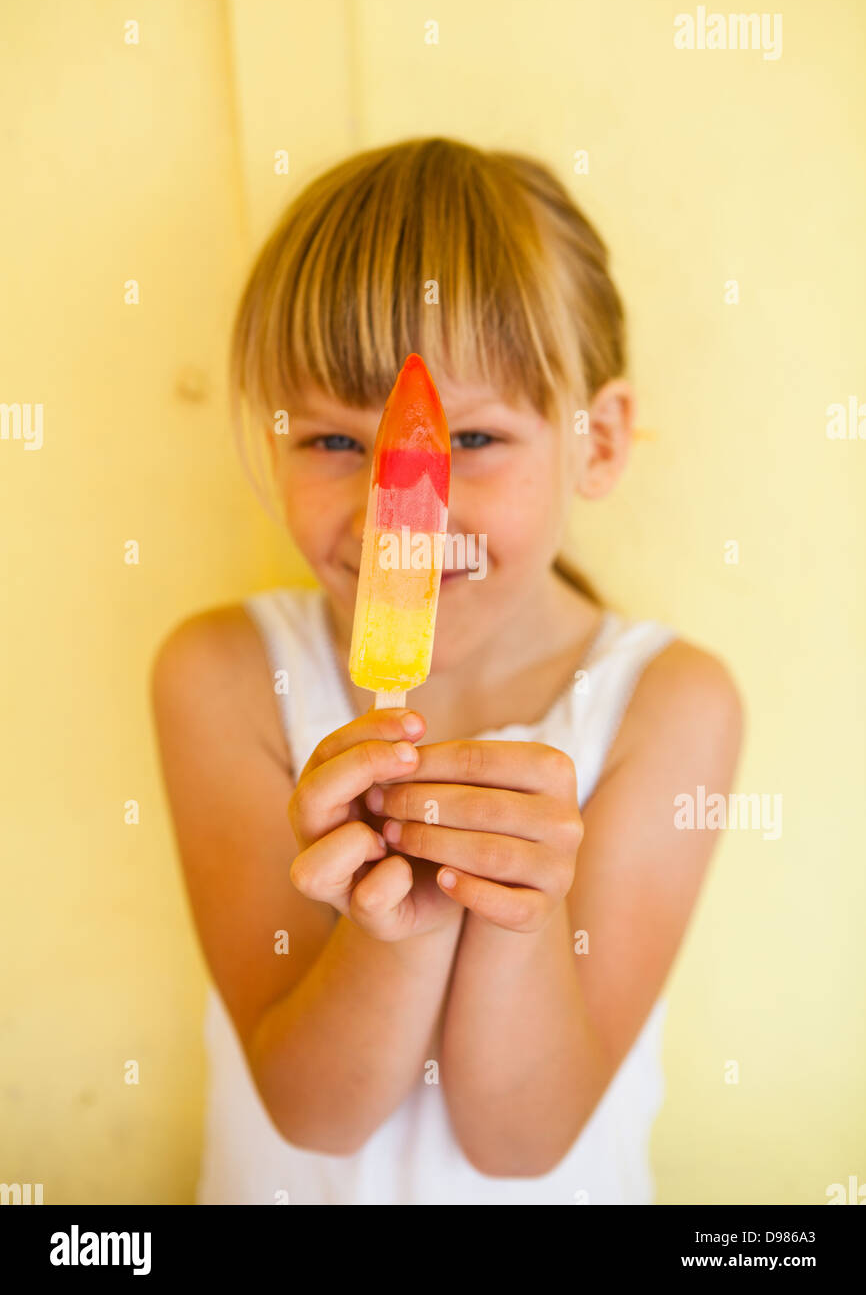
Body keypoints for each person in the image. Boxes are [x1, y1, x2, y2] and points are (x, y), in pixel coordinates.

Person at [151, 136, 743, 1204]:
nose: (396, 507)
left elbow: (520, 1140)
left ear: (596, 443)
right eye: (332, 443)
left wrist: (518, 913)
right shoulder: (224, 676)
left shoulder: (669, 708)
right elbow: (309, 1109)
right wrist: (391, 930)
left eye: (466, 439)